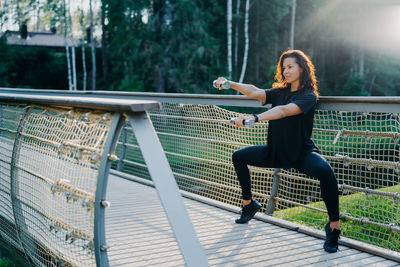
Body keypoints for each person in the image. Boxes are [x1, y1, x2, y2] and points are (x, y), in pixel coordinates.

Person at [215, 49, 340, 253]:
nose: (286, 70)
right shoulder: (280, 92)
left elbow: (283, 111)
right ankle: (248, 204)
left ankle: (334, 228)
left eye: (290, 66)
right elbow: (255, 92)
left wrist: (254, 119)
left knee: (326, 172)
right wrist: (230, 84)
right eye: (284, 67)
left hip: (301, 154)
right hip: (275, 152)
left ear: (302, 68)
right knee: (239, 157)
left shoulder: (309, 96)